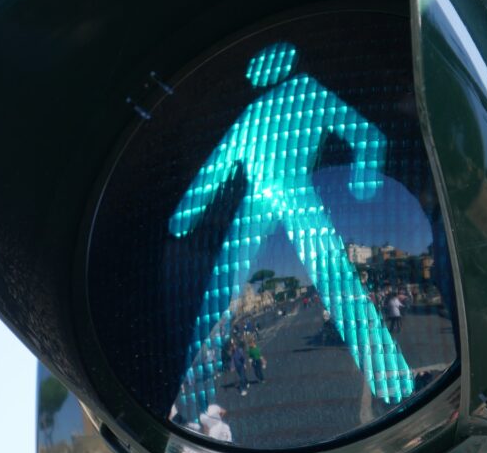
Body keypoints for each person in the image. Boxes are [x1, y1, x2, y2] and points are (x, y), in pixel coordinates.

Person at [170, 42, 413, 418]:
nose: (251, 71)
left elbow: (211, 175)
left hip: (283, 195)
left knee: (225, 296)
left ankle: (192, 400)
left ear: (275, 64)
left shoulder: (301, 93)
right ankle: (390, 378)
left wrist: (182, 221)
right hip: (279, 197)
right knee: (332, 284)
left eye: (257, 64)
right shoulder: (281, 103)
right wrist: (362, 181)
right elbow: (368, 136)